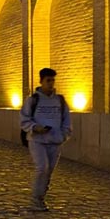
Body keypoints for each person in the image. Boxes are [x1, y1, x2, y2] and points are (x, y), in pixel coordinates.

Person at [20, 67, 72, 211]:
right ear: (41, 81)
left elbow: (66, 120)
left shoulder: (60, 101)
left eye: (53, 80)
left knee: (48, 171)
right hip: (37, 140)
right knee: (42, 167)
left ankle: (41, 198)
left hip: (55, 141)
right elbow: (24, 119)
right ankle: (35, 199)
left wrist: (63, 135)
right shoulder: (33, 100)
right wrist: (35, 127)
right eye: (48, 80)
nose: (51, 83)